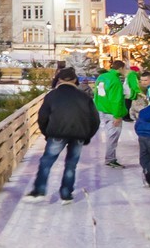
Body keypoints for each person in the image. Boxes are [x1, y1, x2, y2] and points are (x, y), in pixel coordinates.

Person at [29, 68, 100, 204]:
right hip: (78, 135)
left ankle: (39, 191)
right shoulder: (84, 96)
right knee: (70, 165)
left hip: (57, 133)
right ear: (75, 80)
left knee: (46, 162)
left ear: (59, 80)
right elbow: (95, 120)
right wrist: (87, 136)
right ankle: (66, 194)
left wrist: (47, 133)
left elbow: (42, 117)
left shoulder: (52, 96)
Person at [93, 59, 133, 168]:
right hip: (112, 112)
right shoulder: (115, 82)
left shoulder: (102, 77)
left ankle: (110, 158)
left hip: (102, 109)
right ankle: (110, 159)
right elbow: (116, 100)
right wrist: (117, 115)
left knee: (109, 135)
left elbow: (96, 93)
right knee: (113, 136)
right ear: (121, 68)